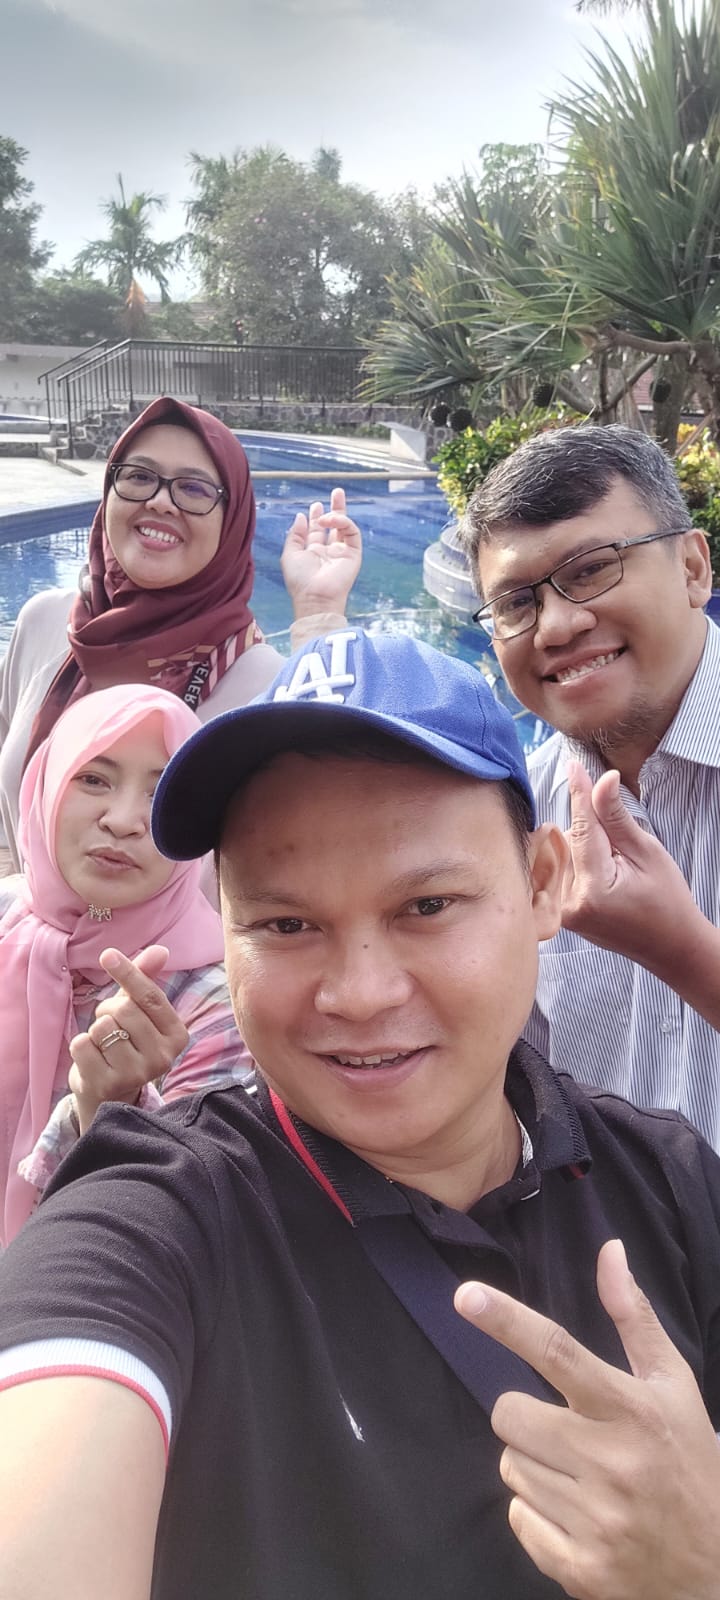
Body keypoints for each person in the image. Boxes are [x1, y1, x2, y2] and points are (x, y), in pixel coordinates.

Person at [0, 628, 719, 1600]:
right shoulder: (161, 1217)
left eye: (427, 906)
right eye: (287, 923)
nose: (360, 993)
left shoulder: (674, 1186)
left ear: (543, 884)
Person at [461, 423, 720, 1144]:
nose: (556, 626)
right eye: (517, 603)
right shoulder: (516, 815)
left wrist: (685, 953)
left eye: (591, 569)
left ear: (693, 568)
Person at [0, 394, 361, 873]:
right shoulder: (44, 625)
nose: (159, 500)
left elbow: (331, 826)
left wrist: (318, 614)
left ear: (232, 521)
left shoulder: (262, 683)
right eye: (139, 477)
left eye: (193, 489)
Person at [0, 681, 252, 1245]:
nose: (122, 820)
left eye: (161, 796)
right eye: (93, 779)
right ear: (46, 785)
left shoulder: (215, 1004)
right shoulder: (7, 917)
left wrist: (107, 1109)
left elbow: (184, 1221)